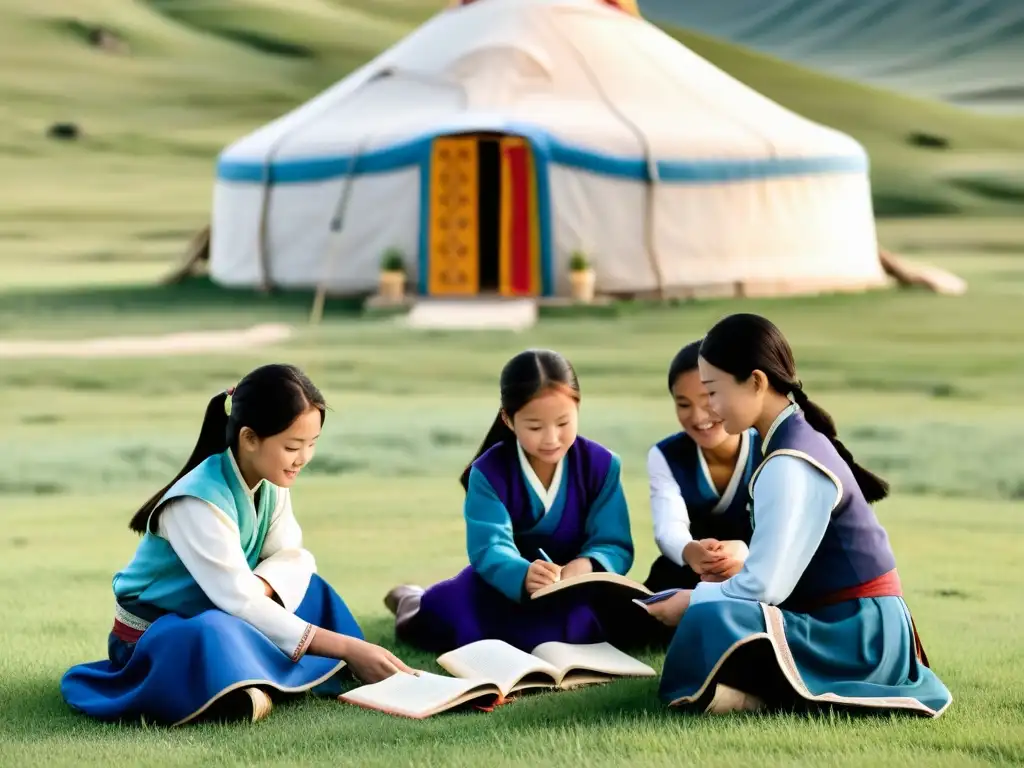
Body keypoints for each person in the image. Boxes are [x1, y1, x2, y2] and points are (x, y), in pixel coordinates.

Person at [61, 364, 416, 726]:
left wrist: (256, 587)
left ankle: (256, 679)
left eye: (311, 445)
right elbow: (238, 601)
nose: (303, 458)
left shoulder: (271, 481)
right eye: (292, 446)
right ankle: (259, 680)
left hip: (226, 609)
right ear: (249, 438)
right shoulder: (194, 502)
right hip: (158, 637)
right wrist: (345, 645)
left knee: (312, 590)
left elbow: (292, 555)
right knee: (211, 631)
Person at [645, 315, 952, 717]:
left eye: (714, 392)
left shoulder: (789, 461)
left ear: (756, 382)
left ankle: (759, 697)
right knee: (712, 614)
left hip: (859, 633)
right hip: (846, 620)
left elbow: (765, 587)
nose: (712, 409)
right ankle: (753, 694)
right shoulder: (789, 439)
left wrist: (691, 600)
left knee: (709, 615)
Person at [384, 349, 634, 653]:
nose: (551, 438)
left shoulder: (602, 464)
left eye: (563, 423)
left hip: (579, 588)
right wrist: (524, 574)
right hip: (502, 589)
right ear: (508, 419)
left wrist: (587, 564)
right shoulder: (488, 472)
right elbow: (490, 545)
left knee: (611, 621)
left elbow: (614, 541)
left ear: (578, 409)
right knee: (444, 615)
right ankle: (410, 599)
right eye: (535, 426)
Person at [643, 339, 760, 596]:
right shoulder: (666, 455)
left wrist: (744, 552)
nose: (697, 417)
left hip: (763, 573)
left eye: (709, 400)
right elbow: (668, 526)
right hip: (688, 574)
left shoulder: (770, 448)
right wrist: (690, 551)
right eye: (683, 405)